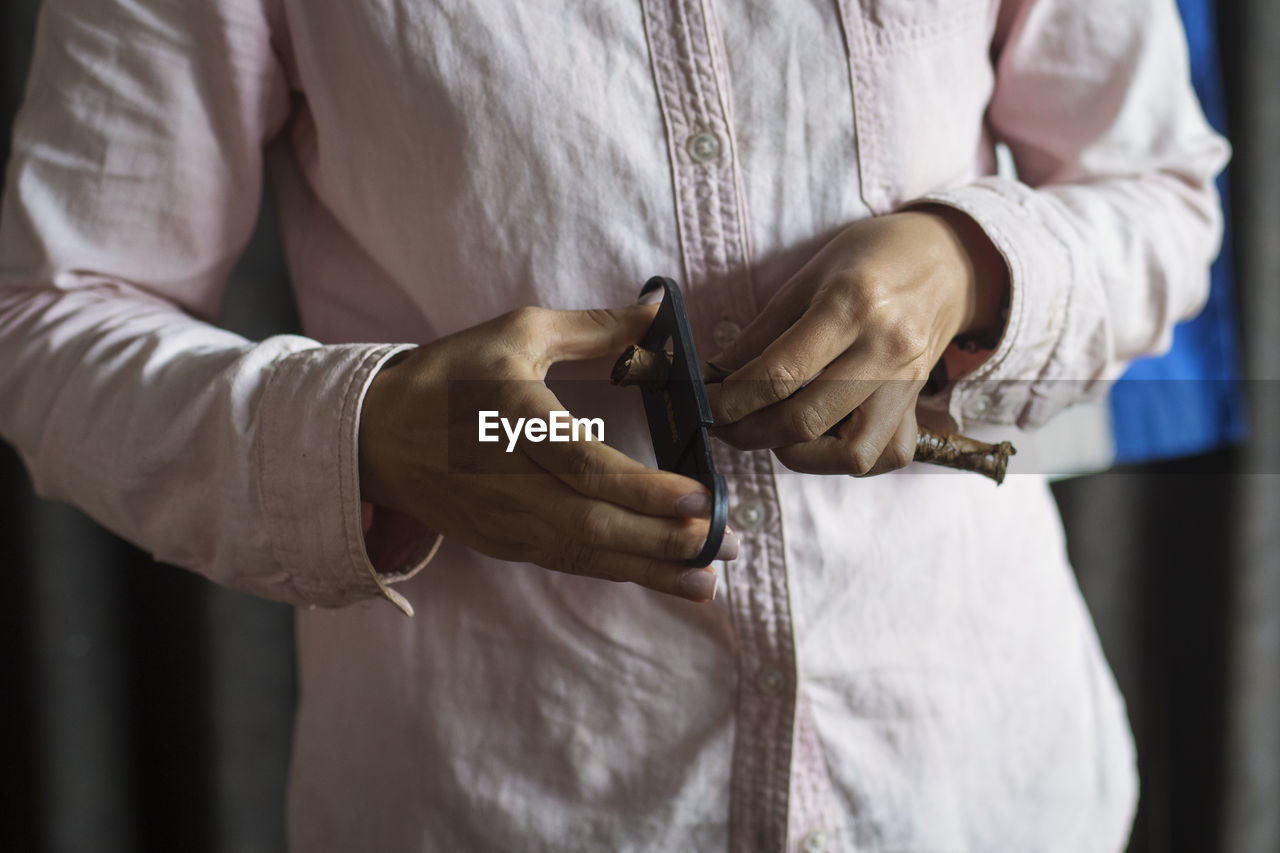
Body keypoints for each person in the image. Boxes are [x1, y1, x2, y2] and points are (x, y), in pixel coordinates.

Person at [0, 0, 1226, 850]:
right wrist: (367, 432)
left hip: (982, 786)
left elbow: (1158, 195)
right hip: (498, 806)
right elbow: (52, 322)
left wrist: (973, 264)